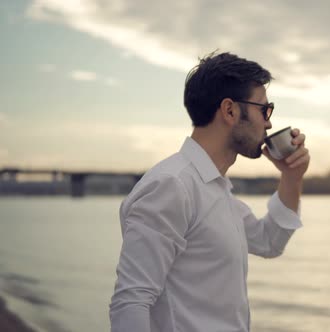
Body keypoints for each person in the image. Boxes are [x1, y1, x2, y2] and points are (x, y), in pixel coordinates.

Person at [109, 52, 310, 332]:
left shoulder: (216, 189)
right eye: (264, 109)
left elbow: (269, 242)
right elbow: (131, 302)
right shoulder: (172, 185)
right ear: (229, 111)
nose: (269, 123)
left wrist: (292, 177)